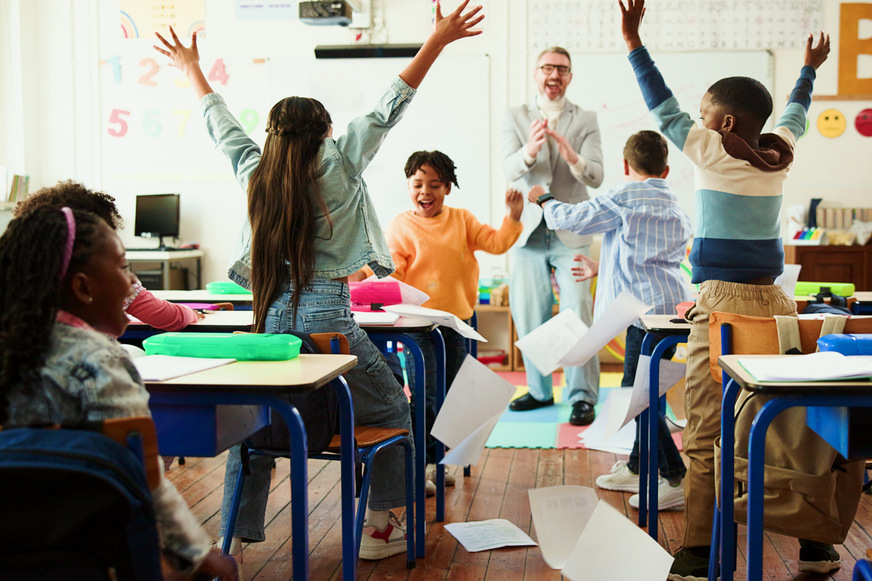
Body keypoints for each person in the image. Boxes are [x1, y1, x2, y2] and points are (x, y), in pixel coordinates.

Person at [153, 1, 484, 561]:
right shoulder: (340, 161)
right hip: (329, 318)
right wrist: (436, 41)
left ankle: (234, 537)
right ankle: (379, 529)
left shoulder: (256, 171)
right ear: (328, 131)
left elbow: (220, 124)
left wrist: (191, 69)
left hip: (270, 322)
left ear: (272, 135)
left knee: (256, 427)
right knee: (393, 409)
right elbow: (389, 106)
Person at [619, 1, 833, 578]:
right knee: (787, 427)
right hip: (777, 305)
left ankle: (695, 552)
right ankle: (815, 545)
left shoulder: (711, 148)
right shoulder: (780, 152)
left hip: (720, 305)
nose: (699, 121)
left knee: (705, 432)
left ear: (726, 123)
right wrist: (808, 69)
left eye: (706, 114)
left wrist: (633, 40)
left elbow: (661, 104)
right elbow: (796, 112)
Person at [0, 206, 238, 581]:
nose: (132, 282)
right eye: (124, 267)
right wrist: (196, 554)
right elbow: (146, 477)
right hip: (93, 557)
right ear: (83, 287)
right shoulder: (101, 362)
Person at [527, 130, 692, 510]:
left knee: (639, 398)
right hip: (669, 311)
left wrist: (544, 199)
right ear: (666, 170)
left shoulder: (624, 196)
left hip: (642, 316)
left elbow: (573, 219)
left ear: (625, 165)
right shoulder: (675, 204)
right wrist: (602, 267)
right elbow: (648, 258)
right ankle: (637, 466)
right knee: (645, 391)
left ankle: (676, 477)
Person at [385, 150, 523, 495]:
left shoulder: (462, 220)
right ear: (408, 186)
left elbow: (497, 242)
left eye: (434, 185)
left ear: (447, 187)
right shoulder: (401, 226)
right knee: (425, 396)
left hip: (457, 323)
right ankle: (421, 465)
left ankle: (438, 460)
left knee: (452, 396)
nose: (425, 192)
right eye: (418, 184)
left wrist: (512, 217)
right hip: (418, 327)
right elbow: (391, 274)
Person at [501, 45, 604, 426]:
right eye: (547, 67)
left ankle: (582, 395)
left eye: (561, 69)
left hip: (571, 230)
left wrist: (572, 155)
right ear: (536, 74)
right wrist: (530, 149)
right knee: (529, 312)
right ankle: (540, 390)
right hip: (528, 232)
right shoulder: (514, 116)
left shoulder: (586, 119)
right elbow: (510, 168)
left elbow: (596, 176)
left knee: (577, 312)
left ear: (570, 76)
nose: (554, 74)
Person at [14, 180, 203, 333]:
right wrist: (190, 313)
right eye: (121, 265)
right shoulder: (108, 280)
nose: (131, 279)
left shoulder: (19, 285)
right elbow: (167, 317)